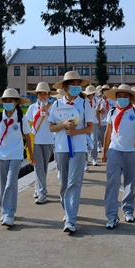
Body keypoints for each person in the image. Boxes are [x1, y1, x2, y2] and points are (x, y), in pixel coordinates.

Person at [48, 71, 94, 234]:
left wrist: (75, 132)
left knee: (74, 183)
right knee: (64, 184)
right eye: (72, 84)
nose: (75, 87)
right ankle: (67, 209)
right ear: (65, 86)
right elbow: (51, 127)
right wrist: (64, 125)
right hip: (61, 149)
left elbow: (90, 127)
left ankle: (71, 219)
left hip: (79, 149)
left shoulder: (84, 104)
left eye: (77, 84)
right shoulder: (57, 105)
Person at [0, 88, 35, 228]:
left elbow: (27, 136)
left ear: (16, 102)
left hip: (16, 155)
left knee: (11, 183)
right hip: (1, 155)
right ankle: (5, 210)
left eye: (10, 101)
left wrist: (31, 154)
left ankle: (8, 213)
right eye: (5, 101)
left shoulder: (21, 118)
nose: (8, 103)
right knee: (3, 185)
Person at [102, 84, 135, 229]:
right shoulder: (112, 111)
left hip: (131, 152)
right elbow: (108, 133)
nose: (122, 99)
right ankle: (111, 216)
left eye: (125, 97)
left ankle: (128, 211)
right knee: (112, 182)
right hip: (114, 151)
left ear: (130, 98)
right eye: (119, 97)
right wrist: (104, 152)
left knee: (130, 182)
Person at [25, 82, 57, 204]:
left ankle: (38, 188)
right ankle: (42, 193)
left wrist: (46, 112)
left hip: (49, 140)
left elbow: (57, 121)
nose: (43, 96)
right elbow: (26, 122)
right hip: (36, 141)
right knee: (37, 166)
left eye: (45, 94)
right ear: (37, 95)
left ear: (48, 94)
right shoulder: (32, 108)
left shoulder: (53, 107)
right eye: (40, 94)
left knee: (44, 167)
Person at [83, 84, 101, 167]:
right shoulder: (84, 101)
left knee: (94, 140)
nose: (91, 95)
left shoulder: (95, 100)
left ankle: (94, 158)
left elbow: (99, 106)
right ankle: (85, 161)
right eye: (90, 94)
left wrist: (97, 110)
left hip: (94, 122)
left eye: (92, 93)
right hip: (86, 124)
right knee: (86, 141)